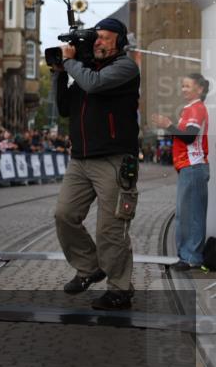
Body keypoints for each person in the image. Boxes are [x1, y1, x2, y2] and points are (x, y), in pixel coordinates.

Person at [53, 17, 140, 310]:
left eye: (103, 37)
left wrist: (71, 64)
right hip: (80, 159)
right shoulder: (85, 70)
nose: (98, 42)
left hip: (113, 158)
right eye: (96, 38)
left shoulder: (125, 67)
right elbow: (65, 108)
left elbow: (94, 85)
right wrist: (58, 73)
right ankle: (89, 267)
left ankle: (120, 288)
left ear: (119, 39)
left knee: (110, 228)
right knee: (64, 214)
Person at [150, 74, 209, 271]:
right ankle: (186, 255)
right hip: (188, 167)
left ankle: (191, 257)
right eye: (182, 86)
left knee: (191, 214)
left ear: (199, 89)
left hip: (193, 166)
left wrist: (168, 125)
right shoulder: (189, 109)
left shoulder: (196, 108)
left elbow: (190, 137)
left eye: (187, 86)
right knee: (185, 214)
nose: (183, 89)